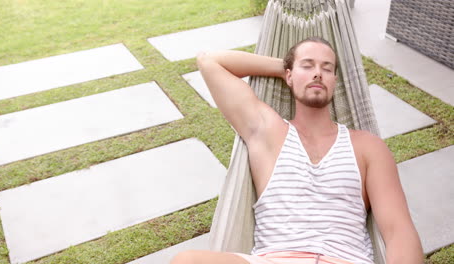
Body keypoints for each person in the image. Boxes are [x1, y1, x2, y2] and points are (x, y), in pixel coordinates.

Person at [170, 37, 423, 264]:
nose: (318, 74)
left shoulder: (368, 147)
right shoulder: (268, 132)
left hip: (342, 259)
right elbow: (210, 61)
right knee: (187, 260)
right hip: (275, 258)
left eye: (327, 68)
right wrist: (285, 68)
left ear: (335, 81)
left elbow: (398, 230)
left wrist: (301, 70)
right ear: (288, 76)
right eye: (307, 65)